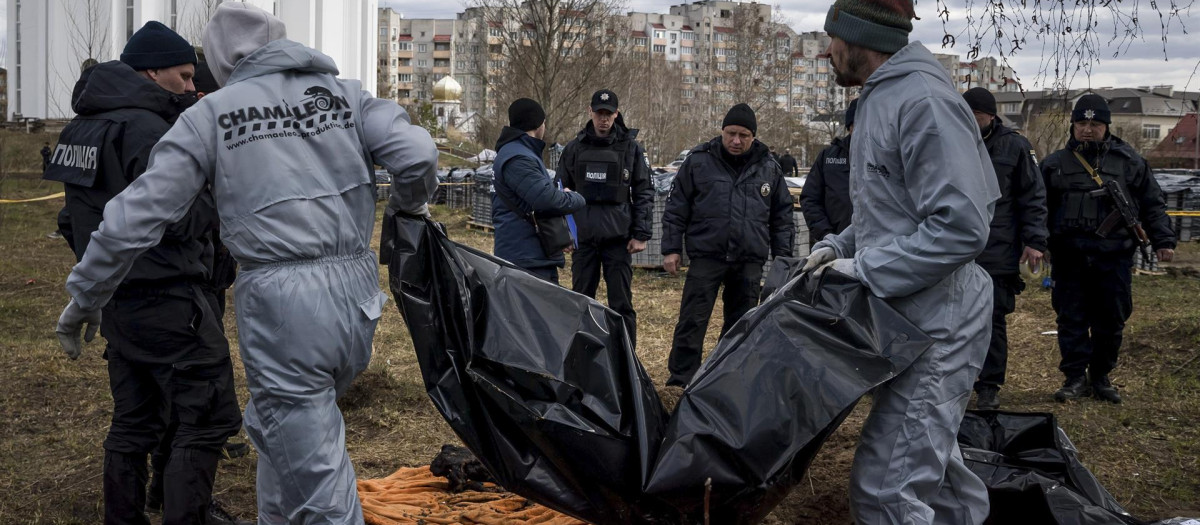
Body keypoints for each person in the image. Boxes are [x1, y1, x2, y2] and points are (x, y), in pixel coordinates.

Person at [53, 4, 439, 523]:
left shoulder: (212, 113)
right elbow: (416, 154)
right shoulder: (346, 95)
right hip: (358, 295)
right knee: (281, 434)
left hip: (284, 303)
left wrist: (88, 292)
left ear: (218, 56)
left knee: (315, 469)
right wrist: (408, 208)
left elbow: (135, 214)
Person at [43, 21, 246, 524]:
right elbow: (177, 216)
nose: (193, 87)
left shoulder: (81, 127)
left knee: (135, 420)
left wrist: (102, 276)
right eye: (182, 76)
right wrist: (219, 203)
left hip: (117, 297)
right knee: (205, 419)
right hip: (172, 296)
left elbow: (71, 219)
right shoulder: (149, 131)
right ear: (151, 72)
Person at [805, 0, 1002, 521]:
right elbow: (894, 211)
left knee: (886, 490)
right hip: (909, 317)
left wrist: (865, 269)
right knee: (930, 467)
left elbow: (961, 227)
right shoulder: (881, 98)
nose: (828, 51)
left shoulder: (923, 102)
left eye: (833, 39)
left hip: (942, 323)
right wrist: (840, 246)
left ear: (859, 37)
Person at [1040, 94, 1175, 404]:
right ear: (1072, 125)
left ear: (1107, 127)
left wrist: (1163, 240)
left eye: (1095, 124)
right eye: (1082, 123)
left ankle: (1100, 376)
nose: (1088, 129)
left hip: (1113, 255)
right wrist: (1037, 242)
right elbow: (1038, 208)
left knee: (1111, 318)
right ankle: (1074, 378)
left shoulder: (1129, 162)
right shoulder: (1054, 164)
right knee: (1071, 318)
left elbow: (1153, 203)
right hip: (1070, 255)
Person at [661, 103, 795, 387]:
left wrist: (784, 261)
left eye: (743, 135)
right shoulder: (699, 161)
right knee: (692, 320)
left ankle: (728, 379)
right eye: (731, 133)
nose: (736, 140)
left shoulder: (769, 168)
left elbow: (782, 218)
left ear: (753, 137)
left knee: (740, 324)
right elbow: (676, 207)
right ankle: (680, 379)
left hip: (748, 260)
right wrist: (671, 248)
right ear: (722, 132)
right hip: (707, 255)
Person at [960, 87, 1049, 411]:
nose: (971, 122)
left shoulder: (1015, 147)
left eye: (977, 117)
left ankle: (989, 386)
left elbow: (1033, 197)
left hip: (997, 249)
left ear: (991, 116)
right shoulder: (949, 141)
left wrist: (1035, 241)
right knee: (953, 319)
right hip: (954, 249)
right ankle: (956, 379)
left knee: (992, 319)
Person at [555, 89, 653, 347]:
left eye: (609, 114)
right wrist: (562, 233)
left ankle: (626, 360)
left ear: (616, 114)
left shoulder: (631, 148)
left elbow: (644, 190)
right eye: (599, 113)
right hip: (584, 240)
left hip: (617, 240)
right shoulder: (574, 148)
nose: (604, 119)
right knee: (580, 301)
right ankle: (578, 359)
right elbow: (558, 191)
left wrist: (640, 233)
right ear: (591, 112)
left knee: (621, 303)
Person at [492, 98, 586, 284]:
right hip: (525, 259)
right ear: (538, 124)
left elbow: (531, 205)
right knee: (533, 313)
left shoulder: (520, 152)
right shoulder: (518, 157)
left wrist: (559, 237)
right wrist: (574, 198)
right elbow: (546, 200)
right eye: (544, 122)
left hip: (531, 255)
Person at [801, 98, 857, 248]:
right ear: (849, 126)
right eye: (857, 125)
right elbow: (810, 199)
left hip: (875, 248)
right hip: (833, 245)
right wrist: (826, 235)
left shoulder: (885, 156)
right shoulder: (828, 157)